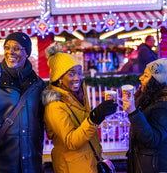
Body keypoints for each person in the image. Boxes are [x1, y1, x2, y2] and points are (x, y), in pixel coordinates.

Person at [0, 32, 46, 173]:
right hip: (1, 165)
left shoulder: (38, 85)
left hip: (32, 164)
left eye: (17, 48)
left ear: (27, 53)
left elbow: (44, 121)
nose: (10, 52)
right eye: (7, 47)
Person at [41, 43, 118, 173]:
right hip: (72, 167)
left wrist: (99, 114)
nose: (77, 78)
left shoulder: (79, 95)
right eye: (71, 74)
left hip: (90, 163)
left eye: (80, 73)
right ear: (59, 78)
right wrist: (94, 118)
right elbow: (71, 141)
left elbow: (85, 128)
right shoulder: (55, 105)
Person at [123, 58, 167, 173]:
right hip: (146, 164)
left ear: (157, 81)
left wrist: (133, 112)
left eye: (146, 76)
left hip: (157, 167)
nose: (140, 78)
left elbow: (152, 140)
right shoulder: (151, 98)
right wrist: (138, 96)